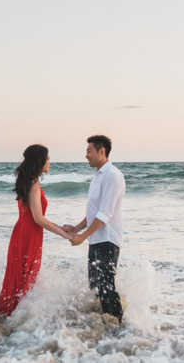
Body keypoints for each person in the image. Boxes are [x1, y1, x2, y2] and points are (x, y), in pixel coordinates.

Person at [0, 144, 73, 316]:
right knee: (26, 278)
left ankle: (13, 316)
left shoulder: (27, 180)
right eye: (48, 158)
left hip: (24, 232)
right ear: (40, 161)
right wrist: (62, 234)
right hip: (28, 235)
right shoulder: (33, 183)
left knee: (21, 276)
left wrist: (60, 227)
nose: (50, 162)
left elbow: (34, 216)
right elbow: (38, 218)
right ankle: (18, 318)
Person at [64, 135, 126, 322]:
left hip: (107, 240)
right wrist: (76, 228)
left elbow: (105, 215)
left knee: (107, 288)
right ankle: (102, 327)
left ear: (102, 151)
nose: (86, 155)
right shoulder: (98, 175)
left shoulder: (112, 175)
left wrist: (82, 237)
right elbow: (94, 212)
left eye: (89, 151)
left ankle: (119, 328)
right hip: (95, 239)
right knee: (95, 288)